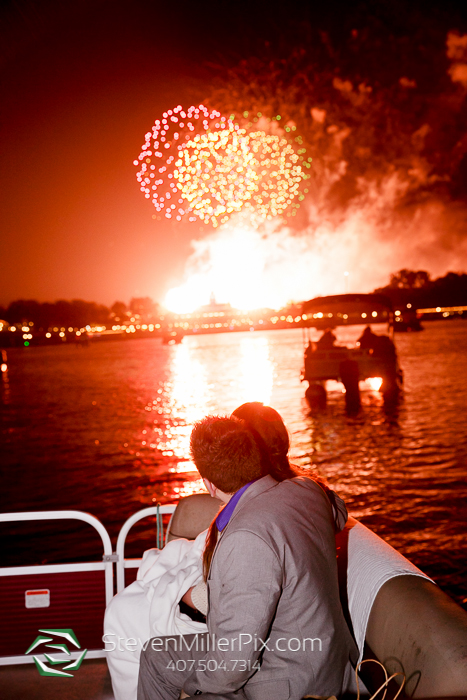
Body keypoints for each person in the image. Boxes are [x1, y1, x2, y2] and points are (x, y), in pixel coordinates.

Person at [138, 414, 358, 700]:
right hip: (320, 653)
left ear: (209, 484)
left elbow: (235, 663)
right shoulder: (309, 489)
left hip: (290, 678)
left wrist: (191, 689)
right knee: (156, 655)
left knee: (193, 680)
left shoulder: (246, 538)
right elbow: (339, 513)